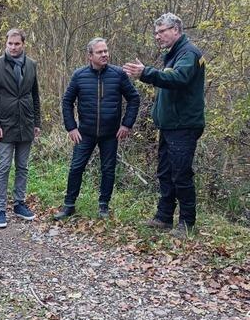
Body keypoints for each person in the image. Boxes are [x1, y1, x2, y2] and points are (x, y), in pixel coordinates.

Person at [123, 13, 206, 237]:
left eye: (162, 31)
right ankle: (164, 217)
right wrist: (148, 73)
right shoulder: (173, 53)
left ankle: (187, 222)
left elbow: (178, 79)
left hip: (184, 125)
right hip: (170, 125)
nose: (157, 36)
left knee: (181, 173)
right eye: (156, 32)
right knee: (166, 172)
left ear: (176, 30)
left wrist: (145, 73)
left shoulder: (189, 53)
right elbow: (168, 80)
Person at [54, 38, 140, 220]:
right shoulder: (79, 75)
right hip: (85, 133)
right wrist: (71, 127)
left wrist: (126, 124)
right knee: (76, 168)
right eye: (100, 52)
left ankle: (103, 207)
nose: (104, 55)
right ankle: (69, 205)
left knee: (108, 169)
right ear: (90, 56)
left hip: (110, 134)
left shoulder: (118, 75)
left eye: (106, 51)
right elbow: (67, 102)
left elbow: (134, 98)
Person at [0, 28, 42, 228]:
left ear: (23, 44)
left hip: (26, 123)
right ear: (6, 43)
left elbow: (35, 96)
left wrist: (37, 122)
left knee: (23, 166)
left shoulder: (32, 65)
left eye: (17, 44)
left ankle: (19, 203)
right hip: (5, 125)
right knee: (3, 167)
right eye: (10, 43)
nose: (13, 47)